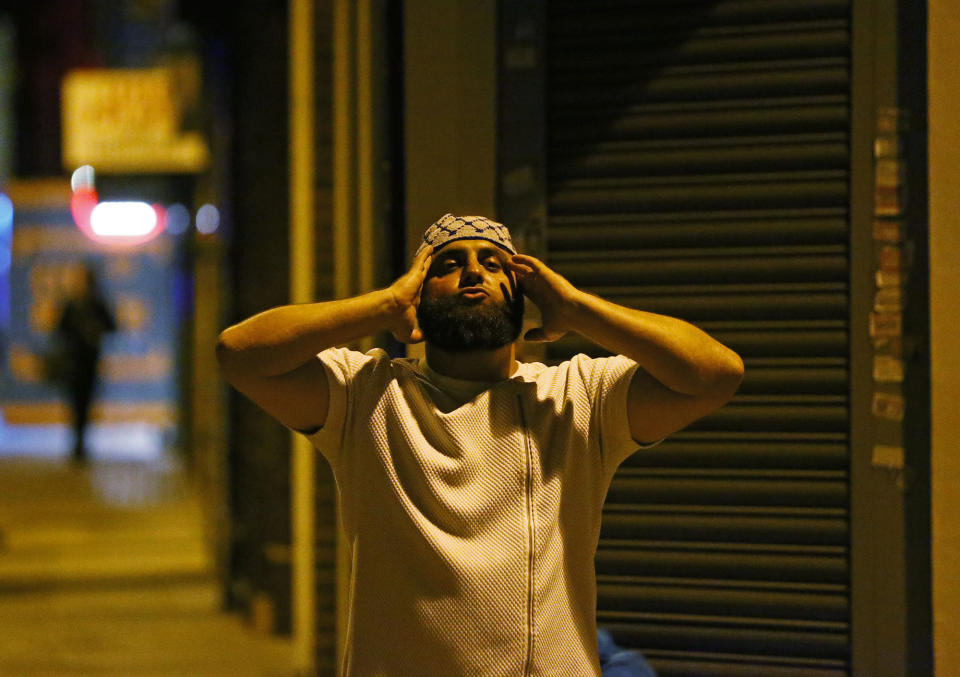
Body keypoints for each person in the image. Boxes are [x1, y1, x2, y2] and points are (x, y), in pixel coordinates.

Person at [217, 214, 743, 676]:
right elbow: (239, 353)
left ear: (524, 299)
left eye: (494, 264)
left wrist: (577, 308)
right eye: (447, 265)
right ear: (417, 299)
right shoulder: (366, 395)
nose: (474, 272)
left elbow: (715, 375)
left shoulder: (578, 396)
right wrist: (381, 306)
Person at [54, 265, 116, 463]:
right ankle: (78, 442)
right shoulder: (73, 305)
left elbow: (112, 326)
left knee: (85, 402)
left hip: (89, 362)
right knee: (76, 403)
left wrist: (94, 331)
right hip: (74, 362)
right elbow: (60, 329)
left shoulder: (96, 304)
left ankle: (81, 442)